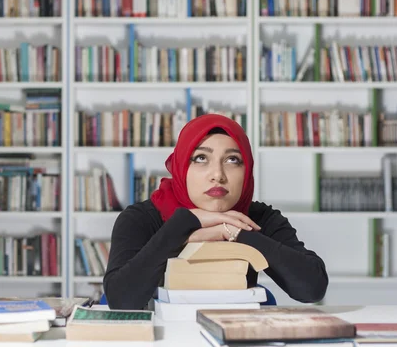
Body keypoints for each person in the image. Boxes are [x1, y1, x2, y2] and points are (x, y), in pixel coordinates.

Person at [103, 114, 328, 310]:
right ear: (182, 167)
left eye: (232, 160)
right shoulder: (141, 218)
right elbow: (122, 300)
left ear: (247, 169)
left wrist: (234, 232)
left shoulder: (260, 218)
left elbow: (312, 288)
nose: (217, 174)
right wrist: (184, 225)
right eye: (201, 158)